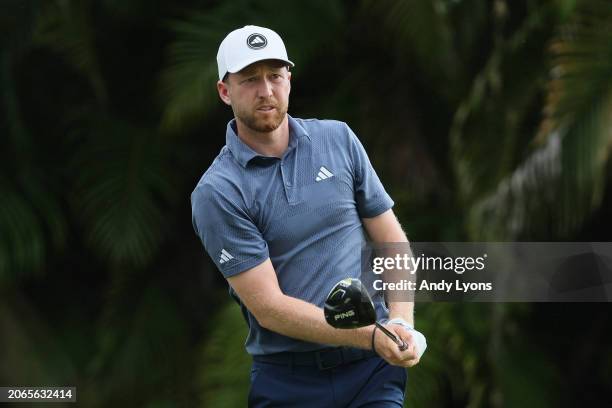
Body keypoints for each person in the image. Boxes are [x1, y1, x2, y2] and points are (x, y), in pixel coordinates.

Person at [191, 25, 427, 407]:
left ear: (289, 79)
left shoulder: (338, 139)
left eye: (274, 76)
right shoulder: (218, 192)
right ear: (224, 91)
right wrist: (372, 335)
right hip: (288, 380)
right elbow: (270, 308)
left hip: (372, 372)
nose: (266, 91)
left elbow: (391, 241)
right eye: (250, 80)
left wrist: (401, 323)